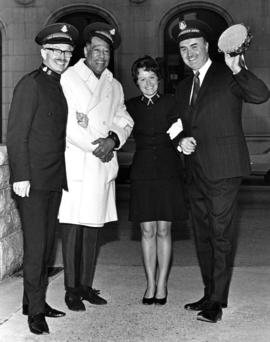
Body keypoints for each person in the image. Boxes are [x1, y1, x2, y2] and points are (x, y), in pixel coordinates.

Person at [172, 20, 270, 323]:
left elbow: (260, 94)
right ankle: (209, 290)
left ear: (206, 47)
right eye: (183, 49)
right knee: (202, 235)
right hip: (195, 171)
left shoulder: (227, 72)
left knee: (220, 234)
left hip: (224, 169)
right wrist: (179, 139)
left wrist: (237, 67)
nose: (189, 53)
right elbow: (177, 122)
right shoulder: (183, 85)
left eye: (194, 46)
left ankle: (217, 301)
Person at [7, 23, 78, 334]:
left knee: (47, 245)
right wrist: (20, 175)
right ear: (43, 53)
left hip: (52, 178)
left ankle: (32, 300)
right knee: (36, 248)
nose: (62, 56)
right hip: (32, 181)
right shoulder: (30, 85)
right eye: (56, 51)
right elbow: (16, 134)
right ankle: (35, 313)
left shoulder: (58, 85)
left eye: (67, 52)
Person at [58, 22, 134, 312]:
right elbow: (66, 125)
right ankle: (71, 289)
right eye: (97, 49)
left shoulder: (114, 85)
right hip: (78, 163)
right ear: (86, 50)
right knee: (73, 230)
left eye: (106, 51)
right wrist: (97, 146)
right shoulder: (69, 79)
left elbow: (125, 118)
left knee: (93, 230)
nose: (101, 55)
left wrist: (113, 139)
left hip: (102, 165)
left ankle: (86, 286)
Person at [126, 56, 187, 305]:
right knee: (146, 229)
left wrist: (184, 140)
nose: (148, 83)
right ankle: (149, 283)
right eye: (142, 79)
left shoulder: (172, 102)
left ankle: (162, 284)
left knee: (164, 229)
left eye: (152, 77)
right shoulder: (129, 106)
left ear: (158, 79)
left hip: (168, 171)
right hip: (142, 173)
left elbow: (179, 130)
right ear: (136, 82)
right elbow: (115, 127)